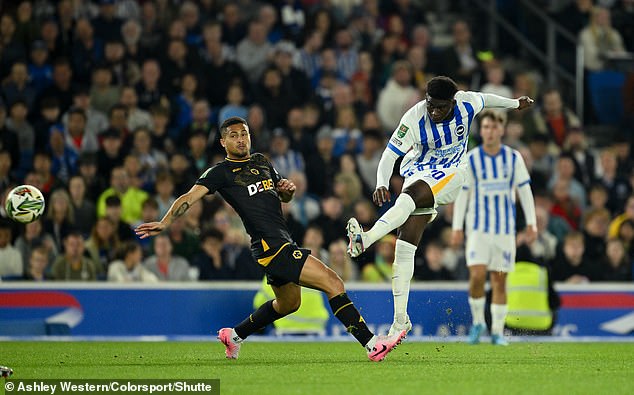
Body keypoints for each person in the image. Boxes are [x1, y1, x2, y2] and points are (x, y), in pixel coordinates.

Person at [135, 117, 406, 362]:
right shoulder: (221, 172)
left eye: (244, 134)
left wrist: (287, 191)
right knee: (333, 282)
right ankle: (372, 344)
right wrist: (165, 222)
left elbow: (281, 196)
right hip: (270, 246)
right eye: (233, 135)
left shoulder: (262, 162)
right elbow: (188, 198)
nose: (240, 139)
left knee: (289, 304)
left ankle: (234, 335)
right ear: (223, 141)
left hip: (279, 241)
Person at [346, 76, 534, 337]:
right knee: (404, 246)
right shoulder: (413, 117)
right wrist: (381, 182)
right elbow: (390, 153)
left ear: (453, 102)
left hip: (452, 173)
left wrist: (515, 103)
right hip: (418, 170)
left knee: (409, 196)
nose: (433, 111)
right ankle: (400, 320)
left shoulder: (467, 103)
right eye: (430, 104)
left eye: (440, 107)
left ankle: (366, 238)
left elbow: (488, 99)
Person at [451, 110, 537, 346]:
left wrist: (532, 223)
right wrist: (457, 227)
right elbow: (463, 195)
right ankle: (479, 322)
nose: (490, 131)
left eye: (494, 127)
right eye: (486, 127)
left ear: (502, 130)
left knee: (499, 281)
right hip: (478, 229)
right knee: (477, 276)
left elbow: (525, 191)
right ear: (482, 130)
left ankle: (497, 331)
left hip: (505, 231)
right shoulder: (471, 158)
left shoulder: (513, 158)